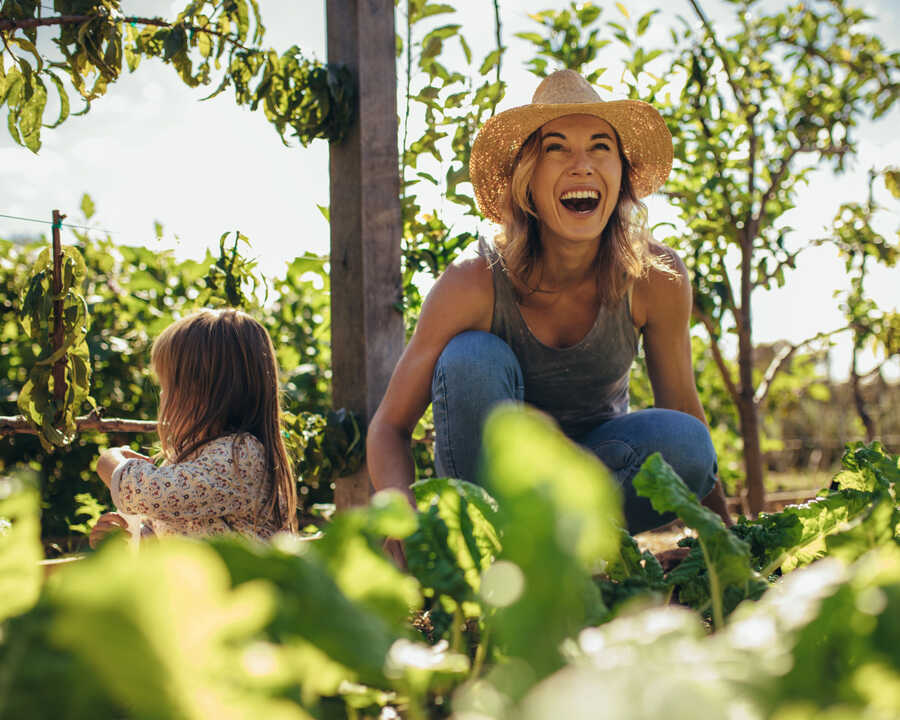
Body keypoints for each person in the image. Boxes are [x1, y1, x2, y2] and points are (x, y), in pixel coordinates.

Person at [366, 69, 732, 544]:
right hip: (491, 496)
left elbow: (682, 406)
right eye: (556, 148)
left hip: (597, 480)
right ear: (527, 180)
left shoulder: (653, 277)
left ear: (620, 177)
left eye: (601, 147)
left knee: (687, 441)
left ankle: (572, 551)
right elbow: (389, 427)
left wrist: (727, 538)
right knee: (472, 356)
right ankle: (488, 554)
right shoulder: (473, 282)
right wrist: (404, 528)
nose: (582, 166)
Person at [89, 308, 297, 547]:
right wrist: (129, 538)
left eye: (167, 385)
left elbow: (150, 493)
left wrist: (109, 462)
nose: (162, 394)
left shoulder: (240, 455)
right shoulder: (190, 457)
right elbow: (174, 529)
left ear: (201, 392)